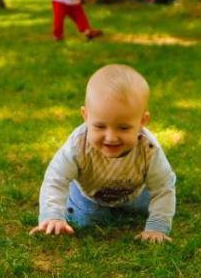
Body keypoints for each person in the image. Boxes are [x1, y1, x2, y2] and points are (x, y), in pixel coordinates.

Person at [31, 64, 177, 243]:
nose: (111, 137)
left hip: (136, 194)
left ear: (142, 121)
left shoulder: (149, 149)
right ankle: (82, 209)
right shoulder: (77, 146)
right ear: (86, 116)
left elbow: (162, 189)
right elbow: (56, 179)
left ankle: (134, 208)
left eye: (123, 128)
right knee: (85, 221)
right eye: (100, 126)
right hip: (89, 196)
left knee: (157, 194)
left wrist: (157, 227)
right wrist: (52, 216)